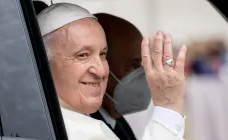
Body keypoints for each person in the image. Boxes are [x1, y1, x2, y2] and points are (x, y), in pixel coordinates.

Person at [37, 3, 187, 140]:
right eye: (82, 55)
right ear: (43, 63)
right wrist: (168, 106)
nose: (101, 71)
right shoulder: (74, 131)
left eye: (102, 54)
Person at [90, 13, 151, 140]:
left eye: (141, 65)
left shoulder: (116, 122)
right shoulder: (87, 129)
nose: (142, 75)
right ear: (102, 66)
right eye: (133, 65)